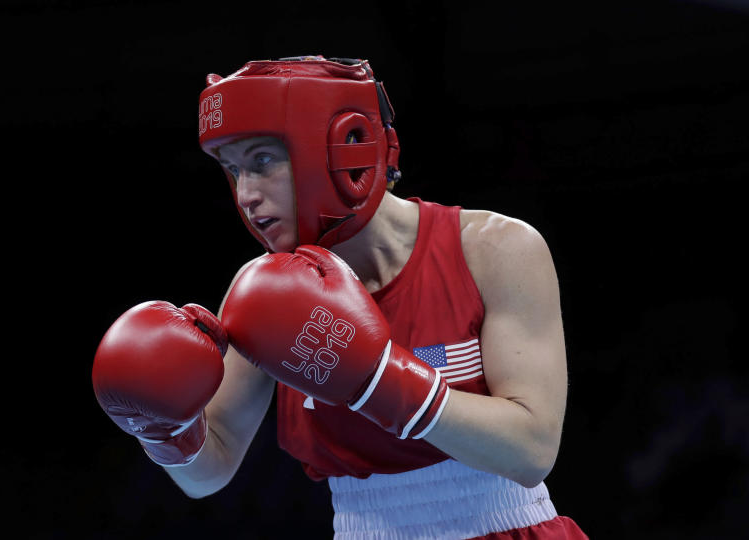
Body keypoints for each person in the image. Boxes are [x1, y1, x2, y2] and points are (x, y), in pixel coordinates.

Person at [92, 56, 588, 539]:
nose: (246, 194)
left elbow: (532, 451)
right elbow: (208, 474)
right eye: (232, 170)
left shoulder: (494, 249)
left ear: (341, 146)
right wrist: (164, 430)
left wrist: (376, 379)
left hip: (510, 526)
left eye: (262, 161)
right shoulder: (262, 295)